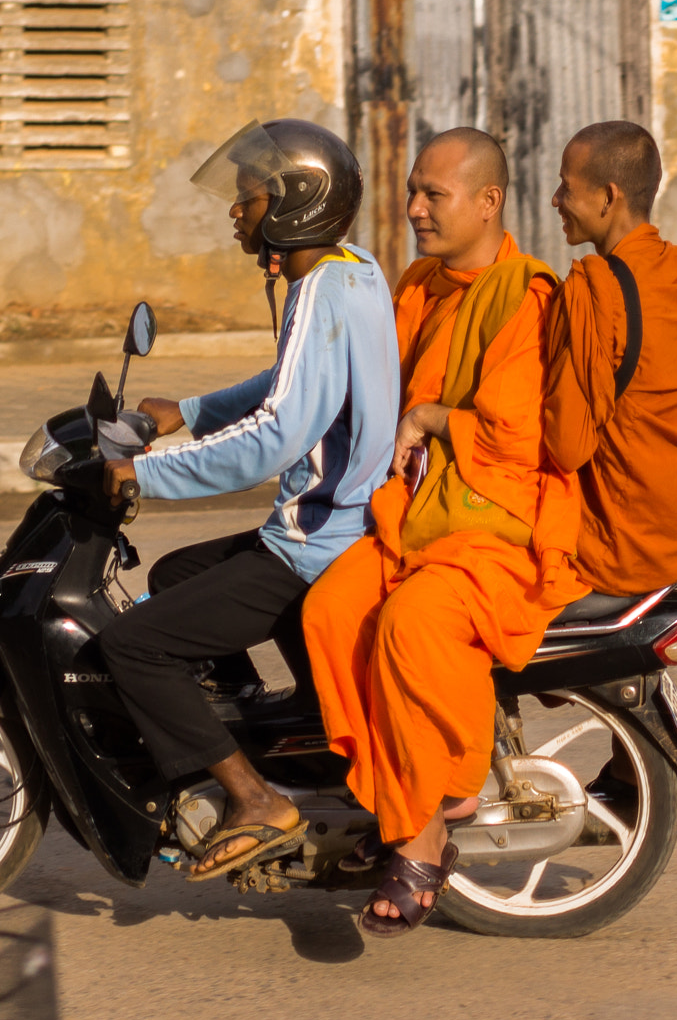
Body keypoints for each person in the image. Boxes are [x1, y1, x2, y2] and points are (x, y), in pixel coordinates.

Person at [301, 127, 587, 937]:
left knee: (412, 624)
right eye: (413, 192)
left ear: (488, 202)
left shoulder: (527, 295)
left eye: (435, 195)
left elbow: (518, 432)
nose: (415, 209)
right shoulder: (421, 283)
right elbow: (371, 379)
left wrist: (430, 415)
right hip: (415, 513)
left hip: (494, 522)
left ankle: (432, 816)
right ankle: (397, 808)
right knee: (328, 612)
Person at [96, 119, 398, 882]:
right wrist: (189, 412)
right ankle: (256, 739)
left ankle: (253, 797)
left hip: (312, 544)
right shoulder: (352, 269)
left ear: (297, 205)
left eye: (248, 199)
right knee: (173, 576)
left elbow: (278, 433)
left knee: (134, 647)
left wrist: (146, 476)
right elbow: (293, 383)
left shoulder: (320, 287)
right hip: (342, 525)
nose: (236, 213)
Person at [544, 119, 677, 811]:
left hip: (616, 544)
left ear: (609, 196)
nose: (556, 199)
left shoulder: (593, 290)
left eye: (567, 187)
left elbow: (565, 446)